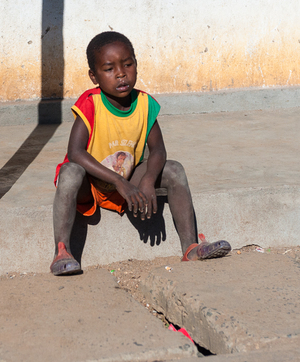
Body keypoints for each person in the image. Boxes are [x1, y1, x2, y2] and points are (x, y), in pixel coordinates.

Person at [50, 31, 231, 275]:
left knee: (174, 169)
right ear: (94, 76)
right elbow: (75, 153)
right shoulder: (91, 103)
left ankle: (190, 248)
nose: (121, 74)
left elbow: (158, 150)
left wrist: (147, 180)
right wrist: (116, 181)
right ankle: (62, 252)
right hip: (92, 184)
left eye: (128, 64)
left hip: (128, 181)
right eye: (109, 68)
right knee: (69, 172)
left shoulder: (145, 104)